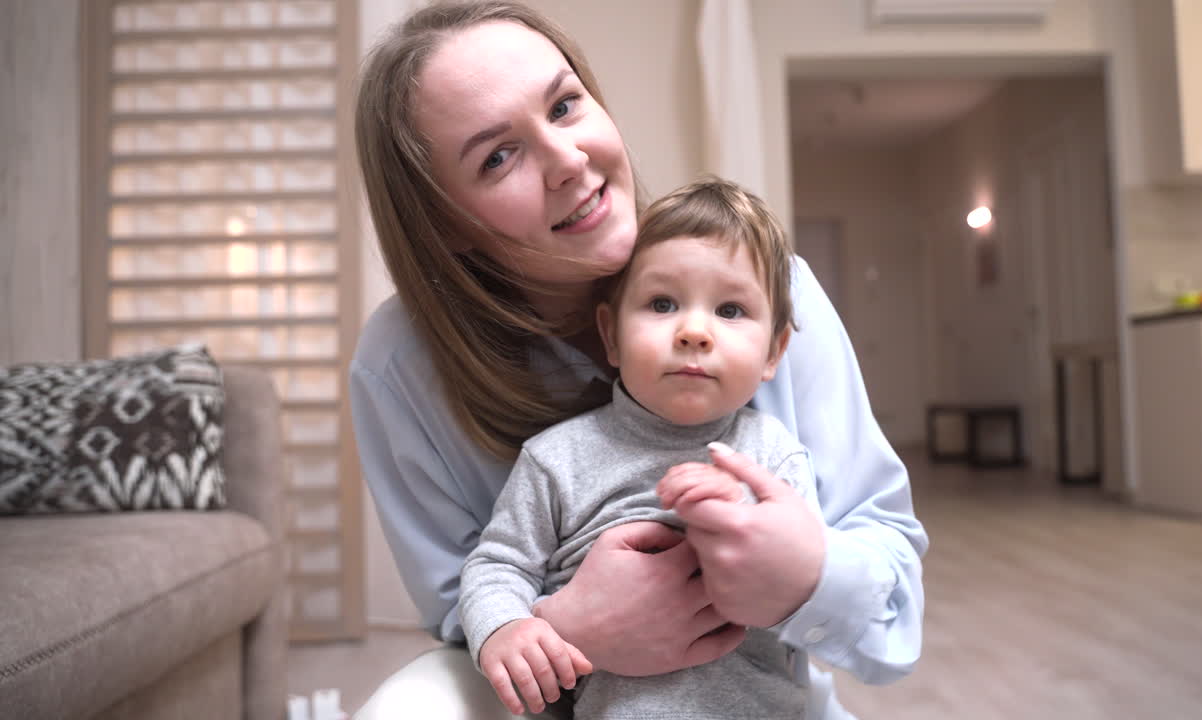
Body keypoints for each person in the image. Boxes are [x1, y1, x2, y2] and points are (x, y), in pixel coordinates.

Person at [349, 2, 927, 719]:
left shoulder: (773, 294)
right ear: (446, 225)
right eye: (498, 156)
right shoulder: (401, 368)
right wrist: (575, 628)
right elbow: (464, 608)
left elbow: (892, 610)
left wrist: (807, 576)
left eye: (565, 105)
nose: (568, 160)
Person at [460, 178, 822, 719]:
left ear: (774, 351)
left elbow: (802, 586)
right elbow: (497, 564)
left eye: (729, 310)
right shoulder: (557, 460)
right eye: (662, 303)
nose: (694, 331)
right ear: (610, 336)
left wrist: (739, 522)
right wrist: (506, 628)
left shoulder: (773, 457)